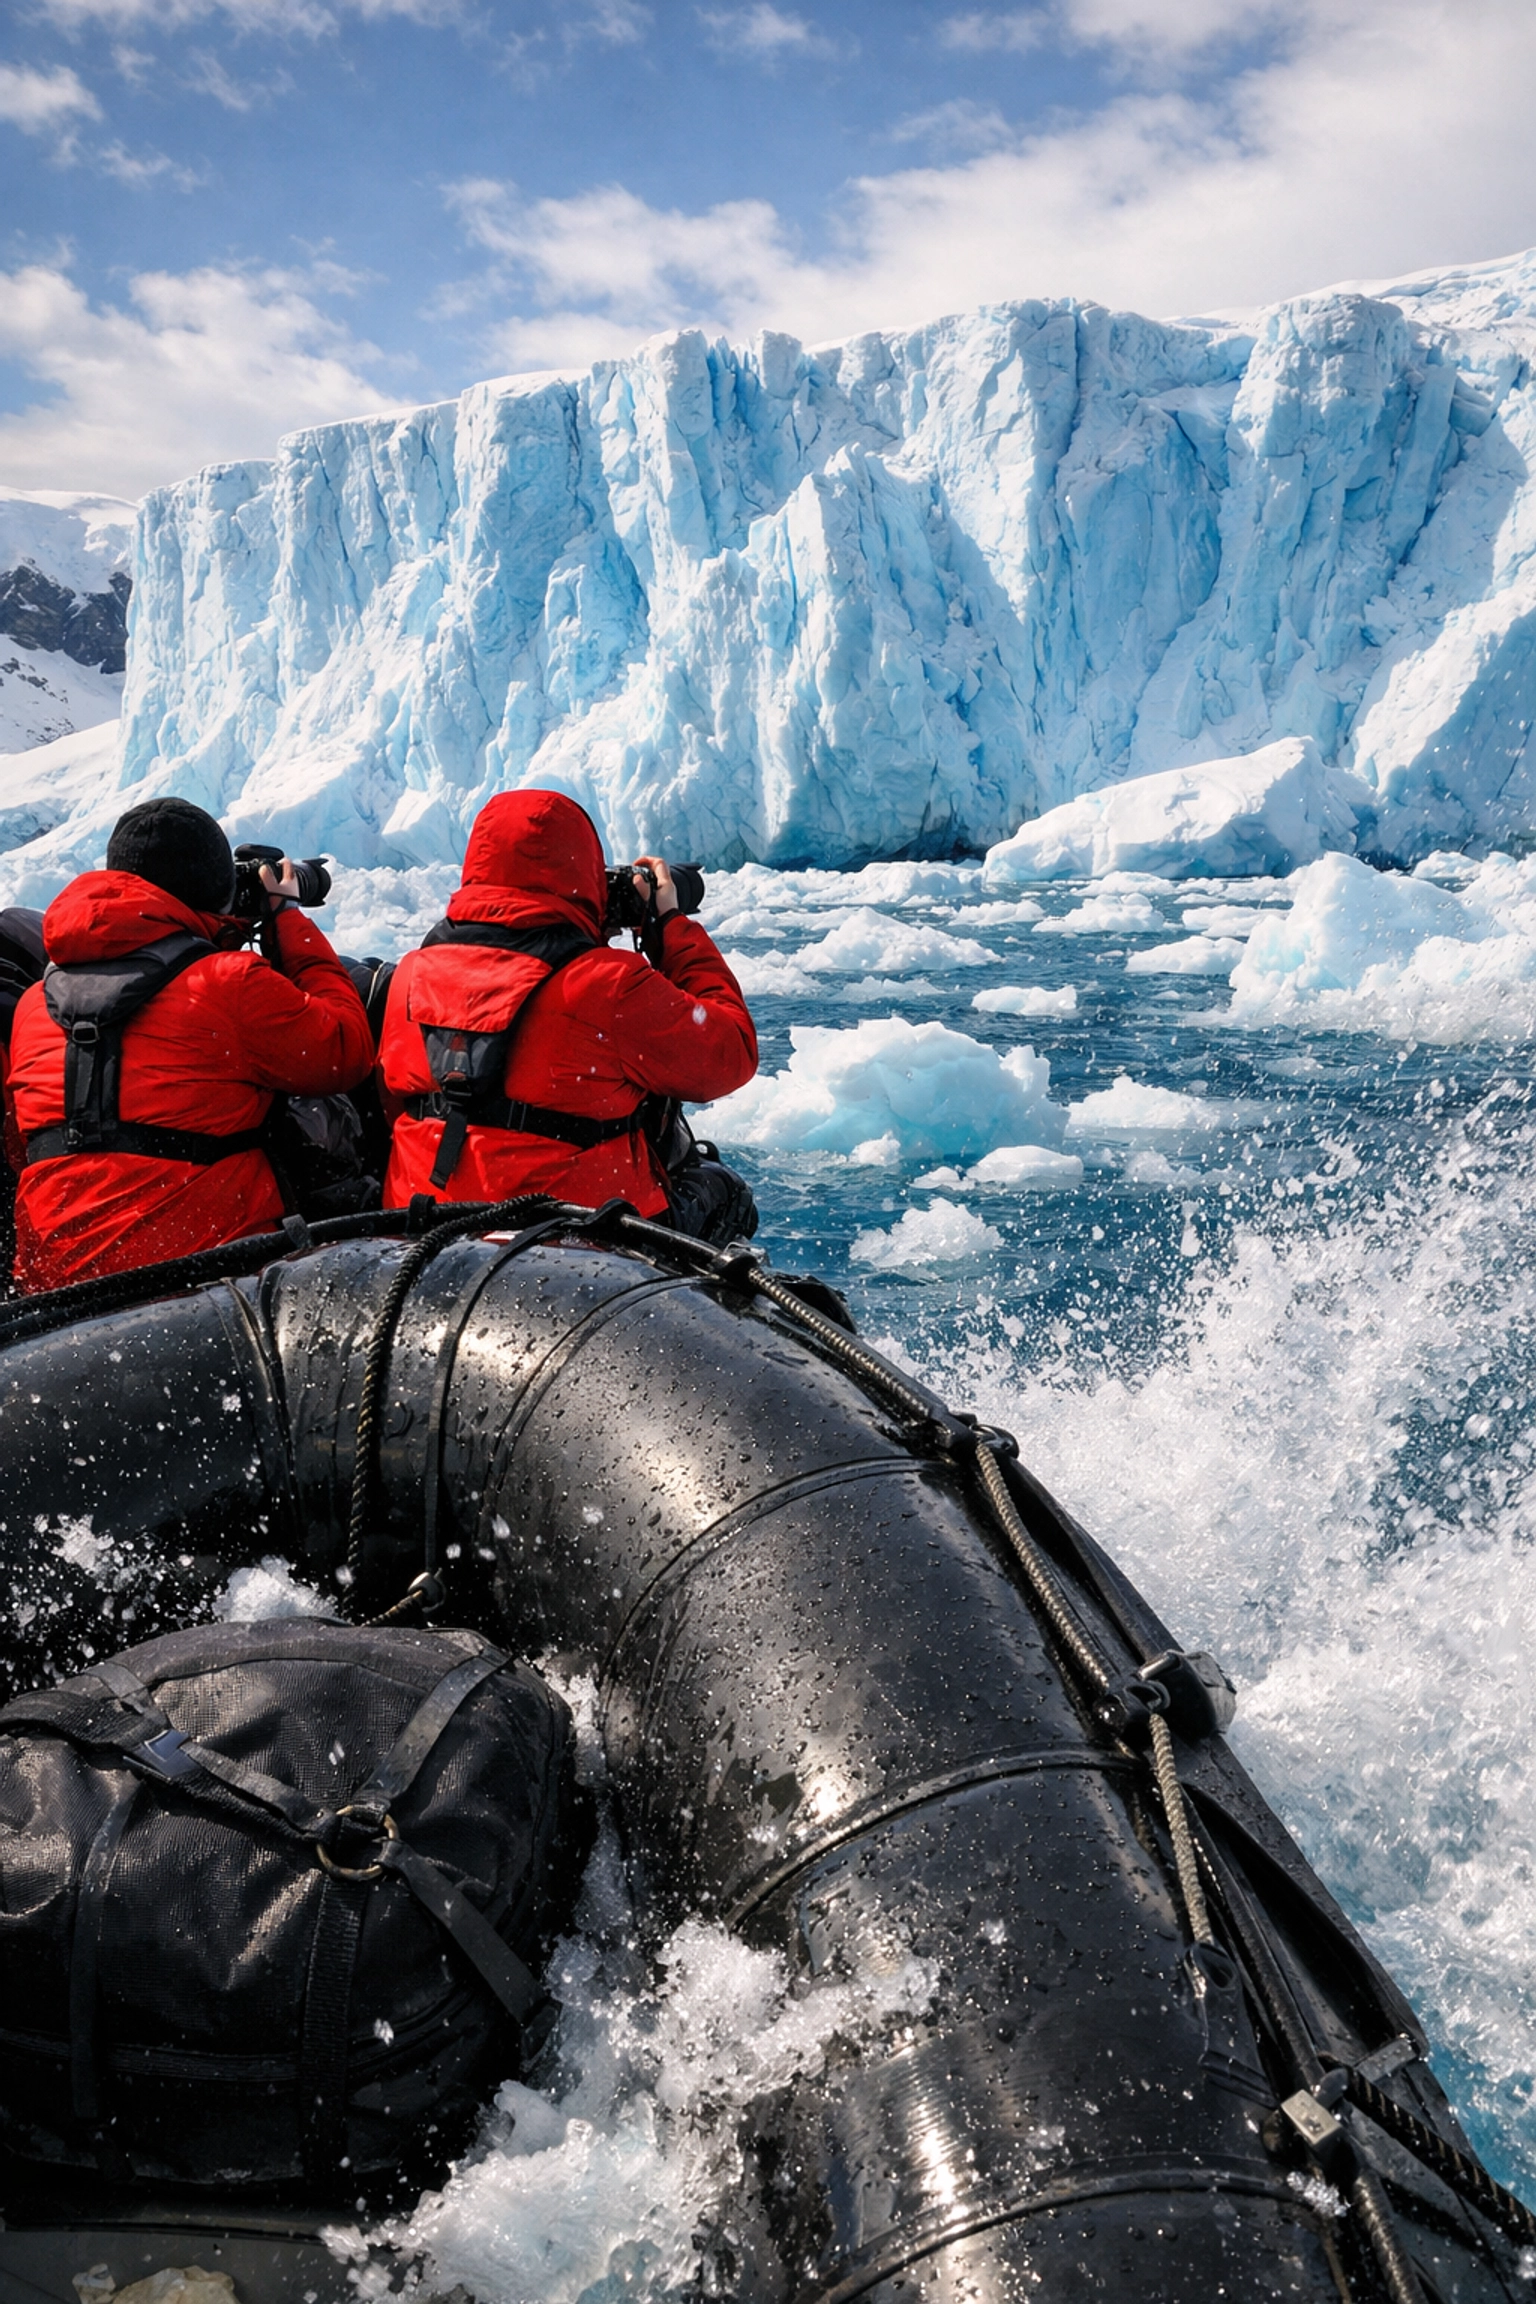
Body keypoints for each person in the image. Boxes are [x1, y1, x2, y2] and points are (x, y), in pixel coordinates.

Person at [5, 797, 373, 1293]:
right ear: (213, 888)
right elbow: (345, 1053)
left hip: (53, 1293)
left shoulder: (33, 1006)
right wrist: (283, 916)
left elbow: (23, 1145)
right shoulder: (228, 984)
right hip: (203, 1281)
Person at [377, 789, 757, 1222]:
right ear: (584, 871)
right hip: (582, 1242)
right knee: (722, 1191)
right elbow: (731, 1053)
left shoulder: (411, 974)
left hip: (429, 1222)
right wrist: (670, 927)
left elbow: (393, 1102)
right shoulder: (609, 985)